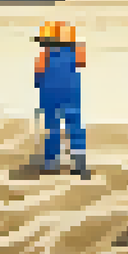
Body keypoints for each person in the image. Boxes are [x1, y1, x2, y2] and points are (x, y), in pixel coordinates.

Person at [34, 21, 89, 178]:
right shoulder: (76, 50)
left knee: (52, 128)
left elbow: (38, 74)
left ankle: (51, 162)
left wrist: (38, 83)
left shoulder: (45, 54)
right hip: (72, 94)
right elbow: (81, 63)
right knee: (75, 127)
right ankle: (79, 162)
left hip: (50, 95)